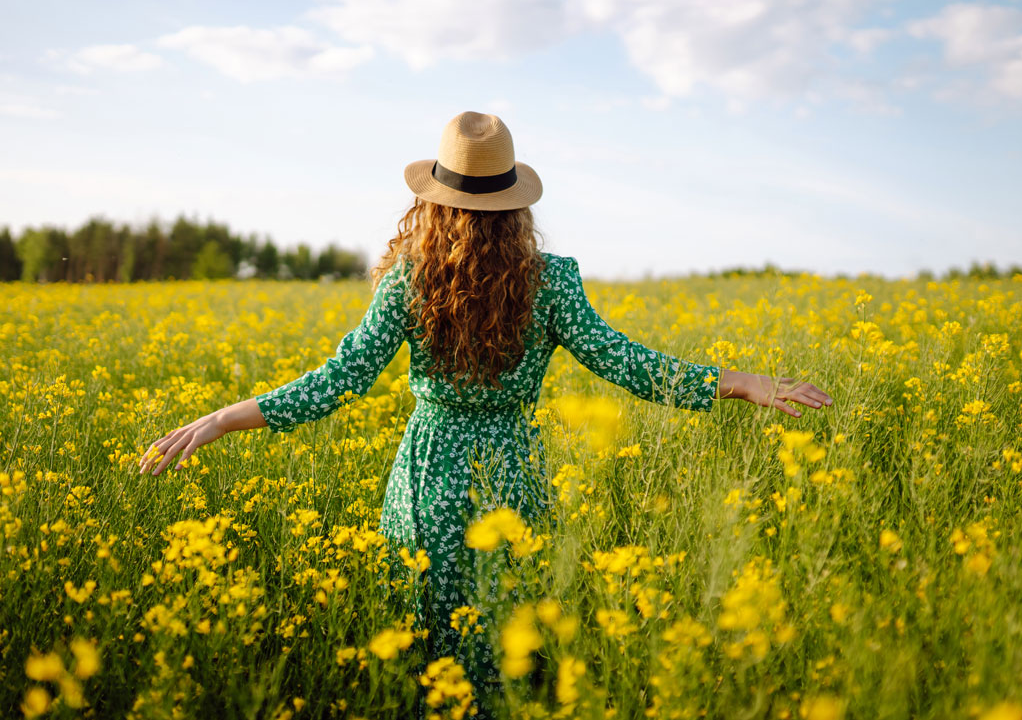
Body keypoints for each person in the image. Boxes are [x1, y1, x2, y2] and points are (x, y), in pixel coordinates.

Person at [138, 111, 833, 714]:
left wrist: (222, 418)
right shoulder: (550, 282)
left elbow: (337, 381)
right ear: (515, 203)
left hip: (425, 481)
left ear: (432, 203)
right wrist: (735, 381)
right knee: (503, 651)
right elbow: (629, 362)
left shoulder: (407, 282)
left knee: (424, 658)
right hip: (511, 486)